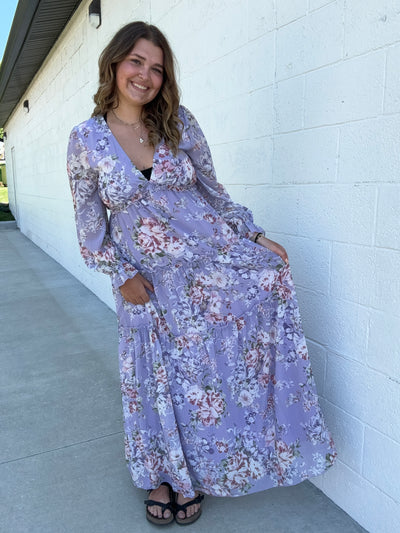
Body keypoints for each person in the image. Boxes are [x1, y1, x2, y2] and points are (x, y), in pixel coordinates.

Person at [67, 21, 336, 526]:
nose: (145, 76)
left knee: (207, 379)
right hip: (147, 285)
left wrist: (253, 237)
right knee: (157, 380)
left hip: (209, 268)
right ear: (113, 63)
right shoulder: (85, 141)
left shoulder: (178, 123)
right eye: (136, 62)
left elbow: (213, 193)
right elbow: (89, 230)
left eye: (157, 68)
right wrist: (119, 273)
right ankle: (166, 476)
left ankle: (208, 468)